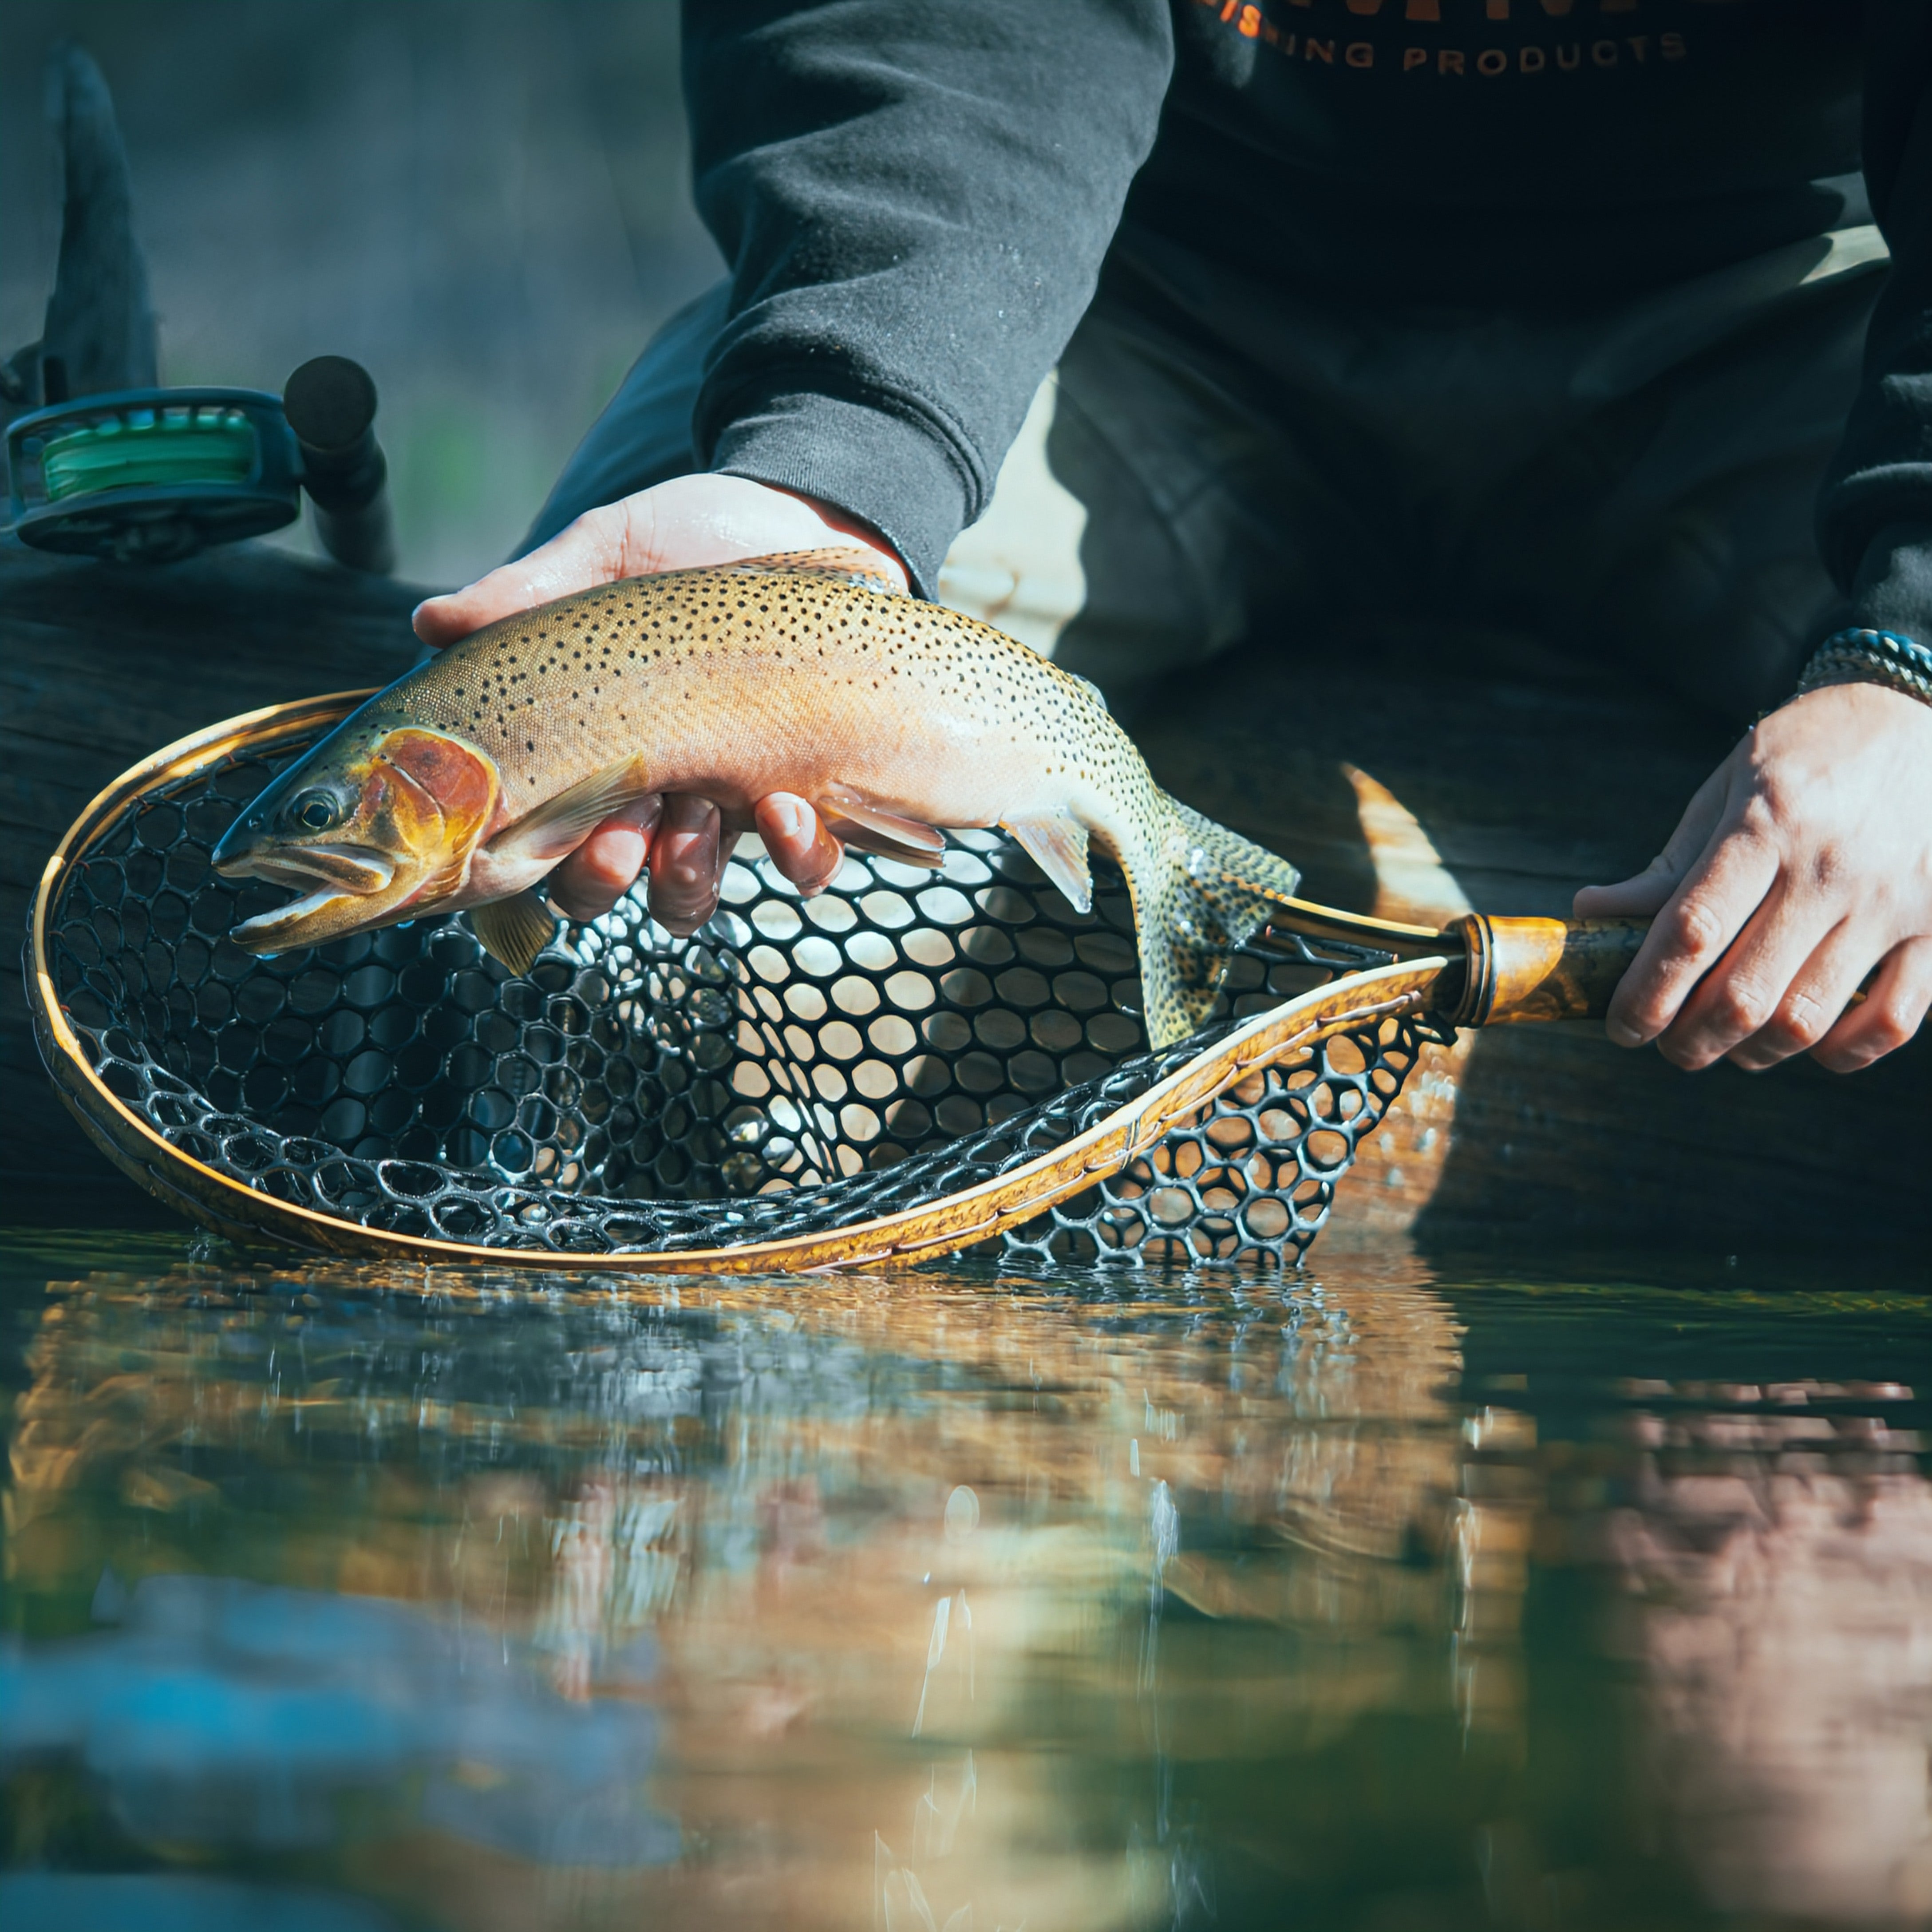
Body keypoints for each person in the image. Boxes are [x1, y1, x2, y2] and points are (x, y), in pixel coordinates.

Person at [414, 0, 1932, 1079]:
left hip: (1790, 313)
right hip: (1092, 288)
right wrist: (836, 468)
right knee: (565, 902)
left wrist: (1912, 650)